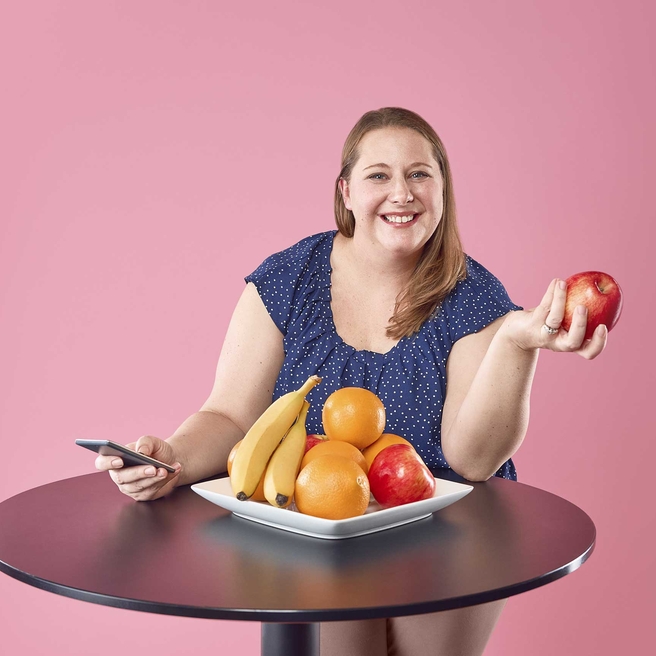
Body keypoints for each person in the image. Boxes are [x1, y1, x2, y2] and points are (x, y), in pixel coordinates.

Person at [96, 107, 608, 656]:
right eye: (378, 175)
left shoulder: (474, 294)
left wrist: (517, 343)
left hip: (448, 527)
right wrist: (169, 457)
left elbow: (473, 461)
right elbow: (230, 416)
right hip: (322, 522)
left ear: (442, 189)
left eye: (419, 174)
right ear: (345, 191)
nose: (402, 193)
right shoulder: (287, 280)